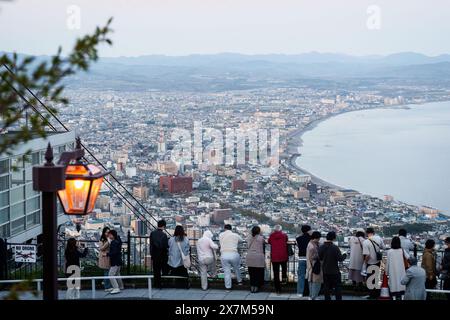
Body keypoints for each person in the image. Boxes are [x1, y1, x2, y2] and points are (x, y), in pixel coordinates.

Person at [318, 231, 346, 300]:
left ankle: (327, 298)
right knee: (337, 286)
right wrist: (345, 255)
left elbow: (319, 257)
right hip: (334, 270)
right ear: (334, 238)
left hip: (325, 270)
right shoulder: (335, 248)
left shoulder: (321, 247)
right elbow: (340, 259)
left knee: (326, 286)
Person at [362, 227, 385, 299]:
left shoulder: (366, 242)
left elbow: (367, 255)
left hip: (370, 262)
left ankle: (372, 295)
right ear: (373, 232)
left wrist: (364, 264)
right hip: (377, 261)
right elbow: (383, 247)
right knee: (376, 278)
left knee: (370, 280)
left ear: (366, 233)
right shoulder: (379, 238)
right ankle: (376, 295)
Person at [219, 224, 243, 291]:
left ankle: (228, 287)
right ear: (231, 229)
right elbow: (241, 240)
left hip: (224, 254)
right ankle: (239, 281)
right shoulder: (235, 235)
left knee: (227, 272)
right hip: (233, 253)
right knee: (237, 268)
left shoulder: (221, 235)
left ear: (225, 228)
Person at [268, 225, 289, 294]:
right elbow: (286, 240)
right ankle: (284, 279)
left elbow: (269, 242)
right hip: (283, 255)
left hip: (274, 256)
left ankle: (278, 289)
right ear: (281, 230)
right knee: (284, 269)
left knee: (276, 273)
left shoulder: (271, 236)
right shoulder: (284, 235)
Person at [150, 219, 169, 289]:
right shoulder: (164, 235)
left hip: (155, 255)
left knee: (156, 270)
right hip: (162, 255)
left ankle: (156, 284)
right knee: (163, 270)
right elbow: (166, 246)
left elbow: (151, 245)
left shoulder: (152, 233)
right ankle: (163, 283)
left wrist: (152, 254)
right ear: (164, 226)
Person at [246, 226, 266, 293]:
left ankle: (252, 287)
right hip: (258, 257)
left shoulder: (249, 237)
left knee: (251, 273)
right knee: (257, 273)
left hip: (250, 256)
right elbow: (264, 242)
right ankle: (256, 287)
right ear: (259, 231)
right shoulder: (261, 238)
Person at [296, 225, 311, 297]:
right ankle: (310, 292)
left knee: (301, 276)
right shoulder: (311, 238)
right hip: (310, 258)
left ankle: (300, 292)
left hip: (301, 258)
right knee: (310, 276)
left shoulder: (298, 238)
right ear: (308, 230)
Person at [306, 231, 322, 300]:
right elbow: (313, 257)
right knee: (315, 282)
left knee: (312, 281)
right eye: (319, 238)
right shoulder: (312, 246)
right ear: (316, 238)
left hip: (312, 266)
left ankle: (312, 296)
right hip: (314, 266)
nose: (319, 239)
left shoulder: (311, 243)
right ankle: (313, 297)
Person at [107, 230, 124, 294]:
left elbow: (113, 252)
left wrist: (107, 254)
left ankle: (116, 288)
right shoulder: (118, 240)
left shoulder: (114, 242)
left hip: (115, 261)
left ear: (112, 235)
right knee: (117, 274)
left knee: (111, 275)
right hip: (118, 260)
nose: (108, 236)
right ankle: (121, 286)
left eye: (109, 235)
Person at [98, 226, 111, 292]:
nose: (107, 233)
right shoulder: (102, 239)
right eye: (106, 232)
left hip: (108, 257)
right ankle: (107, 287)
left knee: (107, 272)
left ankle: (106, 284)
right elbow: (101, 248)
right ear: (104, 232)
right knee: (107, 272)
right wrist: (108, 242)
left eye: (108, 232)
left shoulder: (109, 238)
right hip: (104, 258)